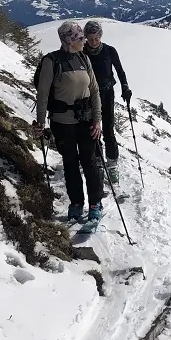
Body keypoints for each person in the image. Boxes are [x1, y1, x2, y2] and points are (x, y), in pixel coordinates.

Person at [34, 22, 104, 223]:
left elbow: (95, 91)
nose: (84, 41)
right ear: (69, 40)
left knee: (90, 162)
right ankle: (76, 203)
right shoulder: (51, 61)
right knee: (70, 163)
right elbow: (43, 95)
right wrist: (40, 123)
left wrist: (97, 119)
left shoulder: (84, 58)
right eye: (80, 38)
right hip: (62, 122)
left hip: (86, 121)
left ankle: (95, 203)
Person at [83, 20, 131, 184]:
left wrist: (125, 86)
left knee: (109, 129)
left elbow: (119, 70)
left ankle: (112, 164)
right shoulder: (82, 53)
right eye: (90, 39)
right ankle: (98, 162)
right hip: (89, 96)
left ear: (100, 36)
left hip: (107, 93)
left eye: (96, 38)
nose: (93, 42)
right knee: (93, 129)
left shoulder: (110, 51)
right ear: (86, 38)